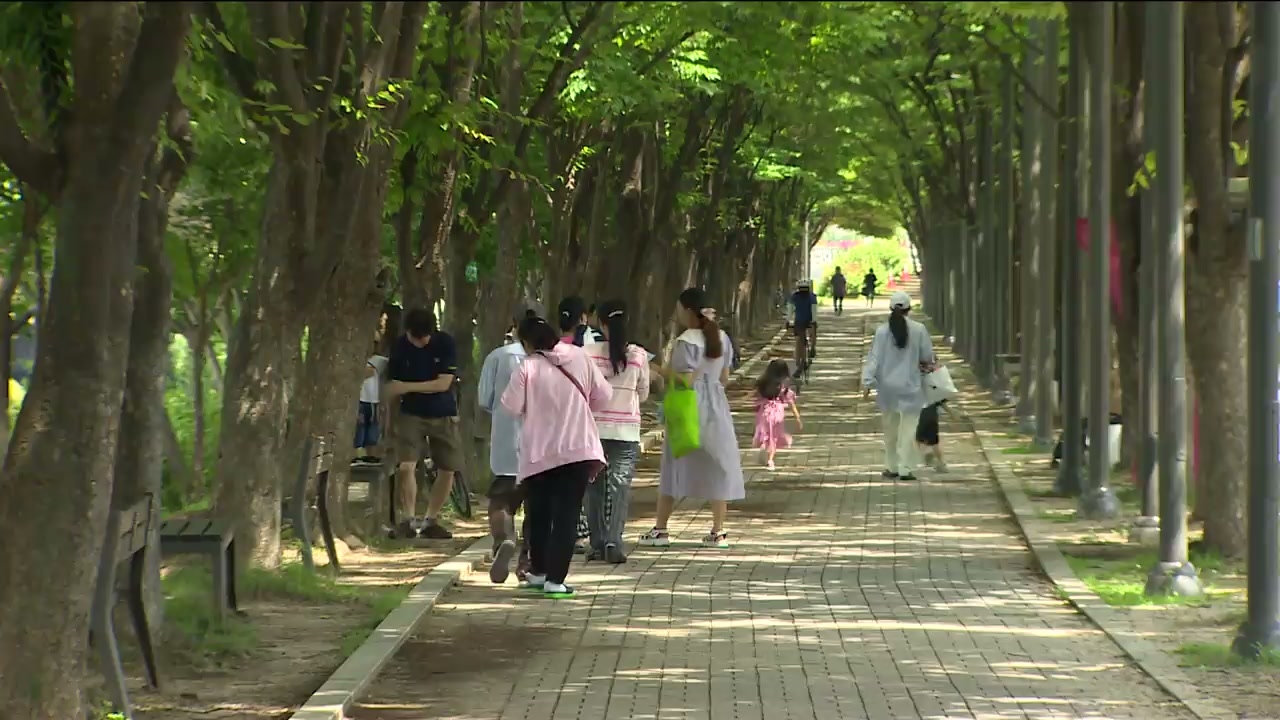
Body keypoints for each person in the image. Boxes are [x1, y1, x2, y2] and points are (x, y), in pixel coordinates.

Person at [501, 316, 611, 599]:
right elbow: (603, 395)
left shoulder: (527, 367)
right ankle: (555, 580)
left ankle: (538, 571)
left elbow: (510, 406)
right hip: (577, 448)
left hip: (540, 452)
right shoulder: (580, 356)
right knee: (567, 515)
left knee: (538, 513)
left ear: (527, 342)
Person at [641, 287, 745, 549]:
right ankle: (718, 531)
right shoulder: (722, 338)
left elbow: (685, 380)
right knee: (718, 465)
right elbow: (724, 377)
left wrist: (657, 369)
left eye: (679, 308)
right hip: (716, 406)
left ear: (688, 310)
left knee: (673, 464)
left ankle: (661, 529)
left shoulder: (686, 341)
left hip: (688, 407)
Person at [384, 308, 464, 539]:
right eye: (416, 337)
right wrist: (389, 420)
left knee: (448, 467)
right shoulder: (399, 347)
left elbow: (443, 383)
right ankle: (408, 520)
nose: (421, 342)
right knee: (406, 466)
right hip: (410, 414)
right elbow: (392, 388)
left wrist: (407, 387)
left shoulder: (445, 343)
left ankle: (431, 520)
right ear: (408, 332)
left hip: (443, 412)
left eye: (425, 337)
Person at [583, 300, 650, 564]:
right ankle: (614, 541)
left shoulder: (588, 353)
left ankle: (597, 543)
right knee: (619, 488)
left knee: (594, 488)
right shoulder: (638, 355)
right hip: (625, 432)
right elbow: (643, 393)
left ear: (601, 324)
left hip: (593, 430)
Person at [479, 303, 540, 583]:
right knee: (537, 507)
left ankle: (503, 538)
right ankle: (528, 563)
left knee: (501, 499)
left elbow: (485, 400)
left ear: (513, 324)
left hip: (506, 441)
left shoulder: (498, 356)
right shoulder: (552, 359)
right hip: (542, 445)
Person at [861, 291, 935, 481]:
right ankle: (905, 468)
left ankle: (891, 466)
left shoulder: (882, 331)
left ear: (890, 308)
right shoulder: (919, 330)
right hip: (911, 386)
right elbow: (927, 357)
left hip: (887, 388)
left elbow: (874, 359)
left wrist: (867, 382)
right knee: (908, 429)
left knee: (890, 429)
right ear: (909, 309)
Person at [753, 359, 802, 471]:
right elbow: (791, 404)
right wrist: (797, 418)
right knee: (773, 437)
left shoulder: (763, 384)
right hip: (777, 414)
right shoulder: (783, 388)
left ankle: (763, 447)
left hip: (764, 412)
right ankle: (770, 460)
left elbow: (756, 398)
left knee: (765, 434)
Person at [353, 342, 389, 466]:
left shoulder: (379, 360)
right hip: (359, 399)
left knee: (373, 430)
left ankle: (371, 456)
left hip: (374, 401)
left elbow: (369, 372)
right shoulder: (353, 359)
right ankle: (355, 456)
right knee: (358, 429)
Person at [787, 279, 819, 372]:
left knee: (798, 340)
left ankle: (799, 361)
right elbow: (814, 310)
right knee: (812, 333)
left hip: (799, 322)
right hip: (808, 321)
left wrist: (787, 320)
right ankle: (812, 348)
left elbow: (790, 310)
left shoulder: (795, 296)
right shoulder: (812, 297)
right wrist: (814, 321)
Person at [916, 395, 950, 474]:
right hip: (931, 415)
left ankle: (928, 455)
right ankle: (939, 462)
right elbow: (940, 399)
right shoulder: (933, 388)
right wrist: (951, 412)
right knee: (933, 441)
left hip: (919, 413)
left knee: (917, 438)